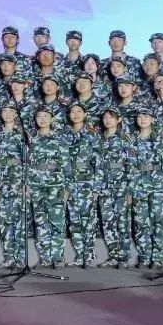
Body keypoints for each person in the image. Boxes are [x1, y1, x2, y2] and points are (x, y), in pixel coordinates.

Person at [130, 107, 163, 269]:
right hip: (139, 186)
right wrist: (130, 188)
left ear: (153, 119)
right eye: (140, 116)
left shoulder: (161, 139)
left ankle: (158, 258)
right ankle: (144, 256)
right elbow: (129, 166)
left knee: (159, 222)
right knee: (140, 222)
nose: (143, 119)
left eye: (146, 116)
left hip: (158, 186)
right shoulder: (131, 140)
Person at [29, 105, 68, 268]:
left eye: (46, 116)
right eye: (39, 116)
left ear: (52, 119)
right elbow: (27, 164)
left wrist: (67, 188)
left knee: (57, 222)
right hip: (36, 186)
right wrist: (28, 185)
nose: (42, 119)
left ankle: (57, 257)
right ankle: (45, 257)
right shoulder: (30, 140)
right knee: (40, 222)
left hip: (55, 186)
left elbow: (66, 165)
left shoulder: (59, 139)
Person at [0, 105, 29, 270]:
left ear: (16, 114)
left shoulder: (22, 134)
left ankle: (21, 258)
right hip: (2, 183)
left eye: (11, 111)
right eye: (4, 111)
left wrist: (27, 184)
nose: (7, 114)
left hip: (18, 182)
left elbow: (28, 161)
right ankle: (8, 257)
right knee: (5, 221)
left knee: (20, 221)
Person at [63, 103, 99, 268]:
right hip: (69, 184)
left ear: (85, 115)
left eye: (79, 111)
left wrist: (96, 187)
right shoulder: (64, 135)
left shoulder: (92, 134)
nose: (75, 114)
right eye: (72, 111)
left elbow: (99, 163)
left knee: (88, 222)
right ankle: (79, 255)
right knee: (74, 222)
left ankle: (89, 254)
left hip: (86, 184)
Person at [96, 108, 132, 268]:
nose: (107, 120)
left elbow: (131, 166)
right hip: (104, 188)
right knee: (107, 223)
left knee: (122, 223)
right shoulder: (98, 139)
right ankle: (113, 256)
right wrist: (96, 188)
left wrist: (130, 189)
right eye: (105, 117)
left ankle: (123, 257)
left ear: (118, 120)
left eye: (111, 117)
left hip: (121, 188)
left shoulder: (125, 139)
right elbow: (96, 166)